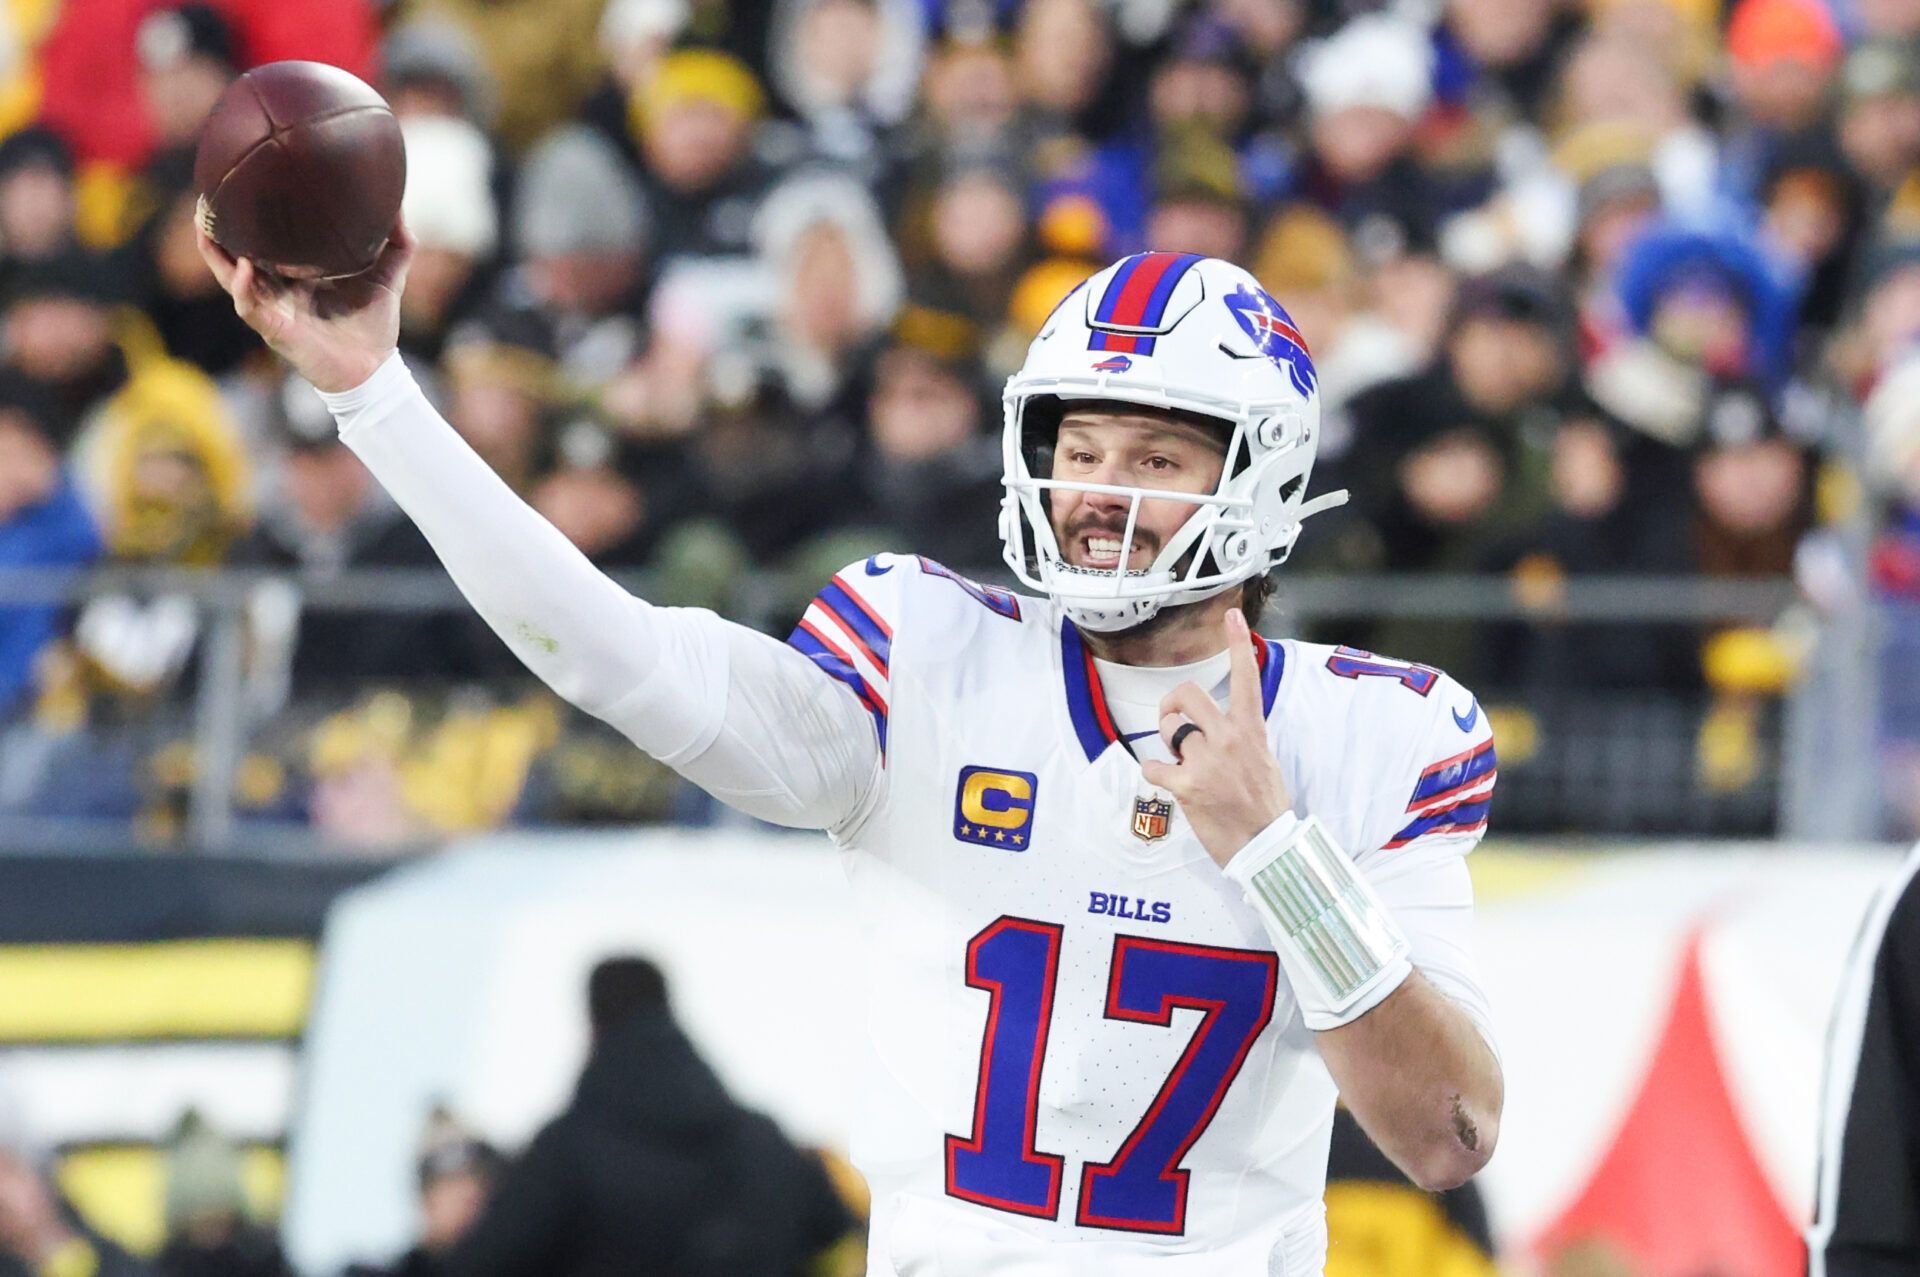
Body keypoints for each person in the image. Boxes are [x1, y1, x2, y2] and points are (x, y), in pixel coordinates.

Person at [198, 225, 1503, 1272]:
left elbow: (1450, 1132)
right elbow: (614, 654)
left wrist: (1278, 854)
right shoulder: (927, 659)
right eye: (1082, 447)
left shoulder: (1369, 735)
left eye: (1156, 454)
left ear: (1260, 477)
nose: (1100, 491)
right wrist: (376, 396)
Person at [439, 956, 853, 1276]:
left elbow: (482, 1265)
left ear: (593, 1029)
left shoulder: (567, 1155)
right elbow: (846, 1245)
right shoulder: (764, 1142)